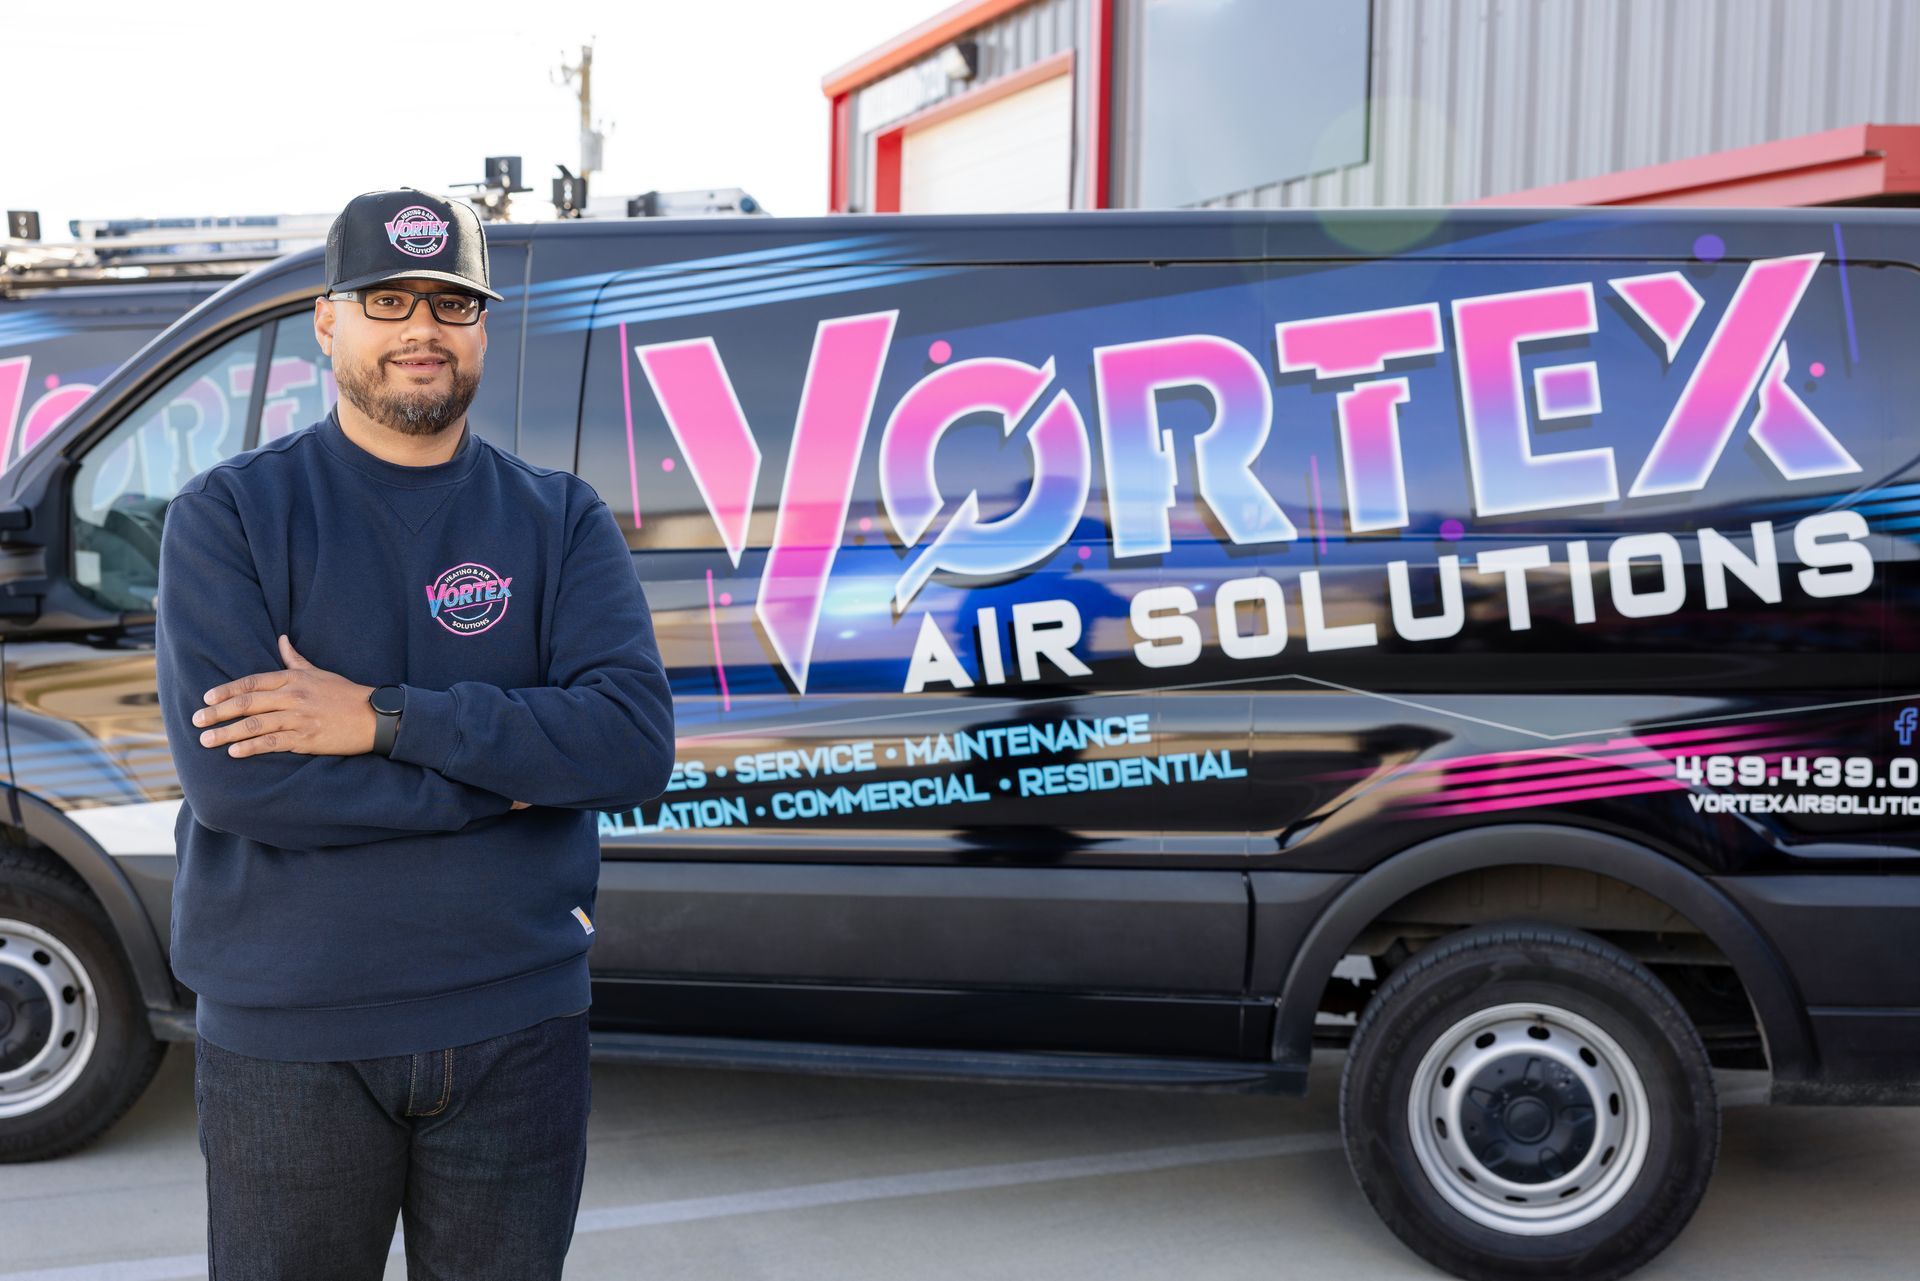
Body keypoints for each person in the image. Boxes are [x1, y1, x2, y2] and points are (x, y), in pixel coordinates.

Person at [155, 186, 675, 1280]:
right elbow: (242, 788)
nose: (421, 331)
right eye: (388, 301)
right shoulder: (232, 515)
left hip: (518, 1025)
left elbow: (629, 747)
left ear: (482, 326)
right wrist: (524, 776)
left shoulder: (560, 518)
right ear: (329, 321)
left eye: (450, 303)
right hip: (291, 1037)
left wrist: (382, 719)